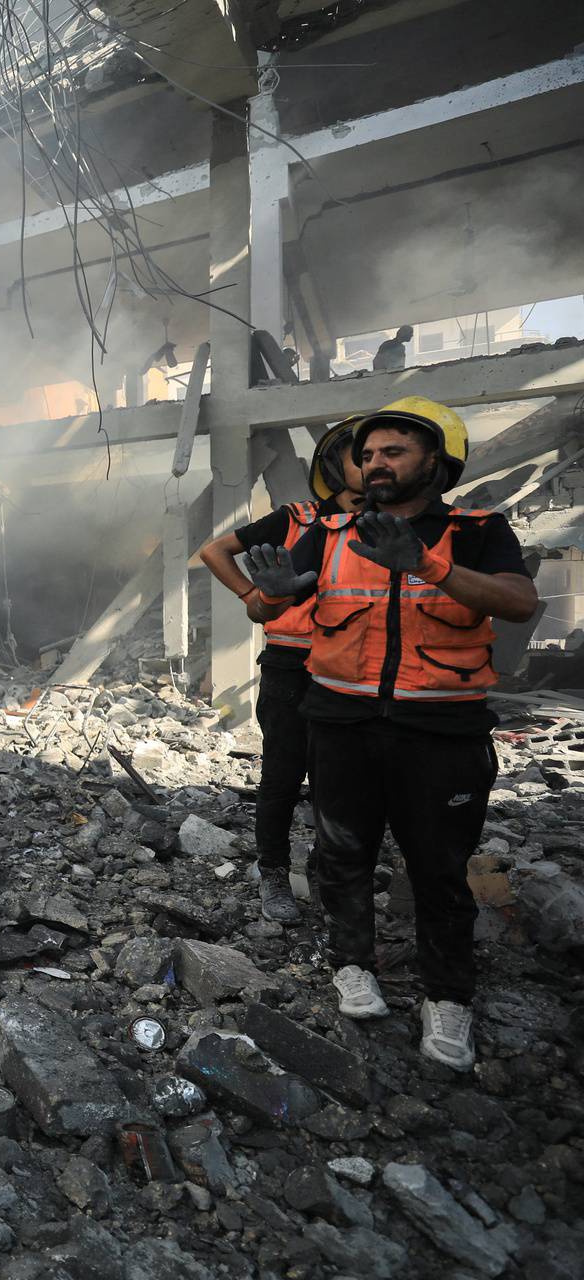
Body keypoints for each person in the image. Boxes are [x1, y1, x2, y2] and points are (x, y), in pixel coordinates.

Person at [243, 397, 537, 1071]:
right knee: (341, 856)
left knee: (438, 870)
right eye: (367, 454)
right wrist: (275, 592)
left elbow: (520, 603)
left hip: (440, 731)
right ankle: (352, 963)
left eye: (394, 451)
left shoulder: (477, 530)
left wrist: (427, 566)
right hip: (342, 723)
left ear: (433, 462)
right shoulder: (331, 532)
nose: (376, 462)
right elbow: (266, 604)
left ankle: (448, 997)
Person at [198, 419, 365, 922]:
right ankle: (273, 874)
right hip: (291, 668)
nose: (378, 465)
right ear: (335, 467)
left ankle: (322, 872)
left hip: (355, 672)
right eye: (364, 456)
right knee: (283, 779)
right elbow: (214, 550)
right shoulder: (300, 518)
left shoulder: (389, 529)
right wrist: (252, 595)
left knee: (343, 785)